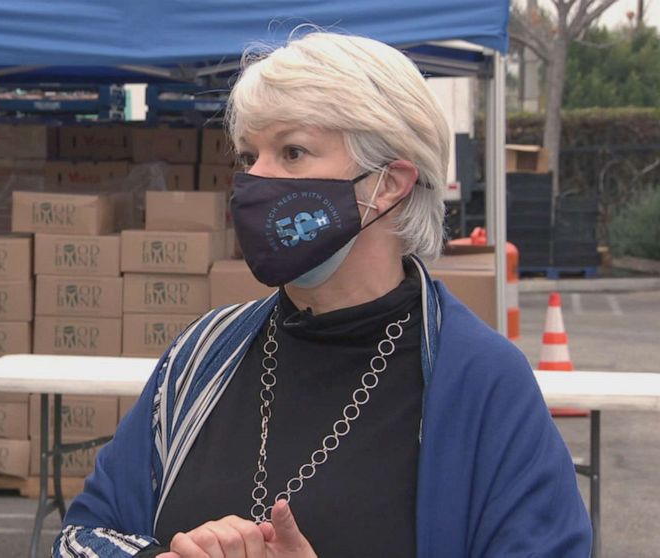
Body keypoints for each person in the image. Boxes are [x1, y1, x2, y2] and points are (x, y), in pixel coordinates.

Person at [54, 30, 592, 557]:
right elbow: (81, 536)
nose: (254, 179)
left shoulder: (481, 381)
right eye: (248, 155)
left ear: (389, 183)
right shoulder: (200, 357)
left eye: (292, 152)